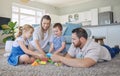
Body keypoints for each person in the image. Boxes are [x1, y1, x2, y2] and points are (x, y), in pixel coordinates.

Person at [51, 27, 116, 68]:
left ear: (82, 39)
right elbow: (68, 56)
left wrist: (60, 58)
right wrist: (63, 60)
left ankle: (117, 47)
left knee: (115, 50)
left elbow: (85, 64)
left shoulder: (94, 47)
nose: (71, 41)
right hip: (99, 48)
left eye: (74, 39)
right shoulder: (74, 44)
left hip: (107, 51)